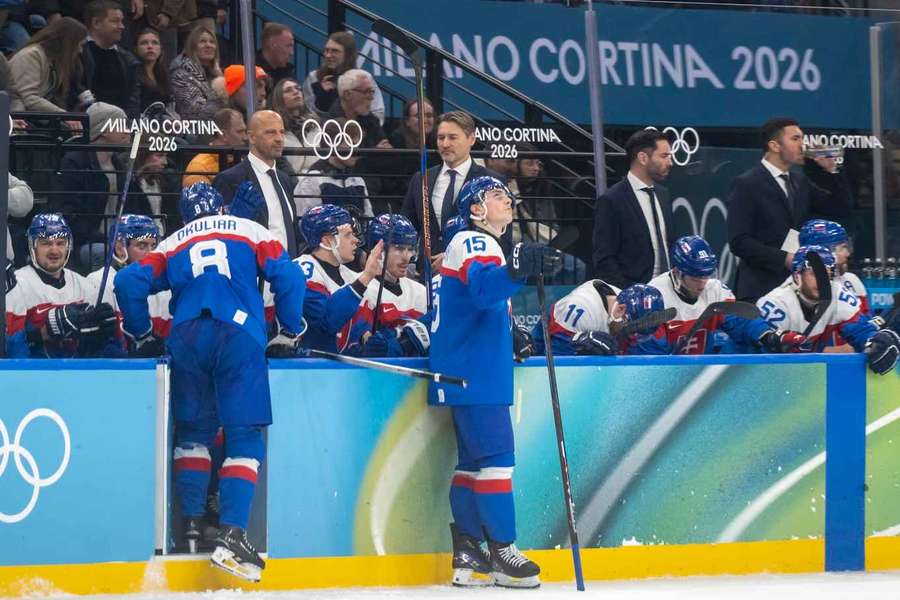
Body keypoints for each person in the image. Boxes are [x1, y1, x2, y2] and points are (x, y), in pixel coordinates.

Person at [114, 183, 306, 582]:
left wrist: (142, 333)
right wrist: (288, 331)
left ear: (186, 216)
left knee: (193, 434)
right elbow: (289, 277)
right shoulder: (249, 229)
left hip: (185, 335)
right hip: (237, 333)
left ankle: (191, 526)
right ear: (221, 206)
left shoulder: (172, 242)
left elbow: (127, 284)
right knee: (244, 437)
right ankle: (233, 536)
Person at [430, 175, 562, 589]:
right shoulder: (476, 241)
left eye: (508, 193)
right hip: (475, 374)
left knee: (473, 464)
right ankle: (504, 550)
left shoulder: (478, 246)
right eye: (496, 195)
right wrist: (520, 269)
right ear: (475, 210)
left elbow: (479, 306)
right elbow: (486, 292)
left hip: (467, 370)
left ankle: (469, 554)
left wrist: (512, 335)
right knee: (498, 461)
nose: (507, 199)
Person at [727, 117, 853, 303]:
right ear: (775, 146)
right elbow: (739, 242)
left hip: (796, 289)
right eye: (795, 139)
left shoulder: (799, 181)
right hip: (760, 287)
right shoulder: (747, 183)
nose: (802, 144)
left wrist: (831, 171)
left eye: (802, 138)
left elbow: (840, 207)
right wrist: (784, 258)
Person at [631, 235, 801, 356]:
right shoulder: (654, 298)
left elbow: (740, 321)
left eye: (706, 275)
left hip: (702, 373)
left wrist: (768, 336)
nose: (702, 283)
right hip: (663, 375)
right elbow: (650, 356)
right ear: (677, 272)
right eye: (695, 278)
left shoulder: (715, 289)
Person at [756, 245, 898, 375]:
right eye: (814, 274)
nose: (822, 281)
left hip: (813, 377)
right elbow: (763, 355)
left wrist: (872, 342)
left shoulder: (838, 293)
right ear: (797, 276)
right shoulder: (776, 303)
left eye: (827, 274)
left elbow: (859, 329)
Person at [5, 213, 117, 358]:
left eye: (60, 243)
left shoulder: (85, 286)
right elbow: (10, 347)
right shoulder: (17, 285)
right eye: (46, 243)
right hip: (34, 376)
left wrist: (101, 335)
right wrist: (45, 331)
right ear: (32, 245)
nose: (54, 251)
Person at [402, 111, 502, 269]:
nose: (445, 144)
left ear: (472, 139)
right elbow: (407, 226)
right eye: (441, 138)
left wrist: (454, 257)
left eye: (452, 137)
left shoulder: (492, 181)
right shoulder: (421, 179)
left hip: (470, 276)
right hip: (427, 277)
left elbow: (501, 236)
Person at [592, 129, 674, 290]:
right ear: (643, 158)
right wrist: (626, 294)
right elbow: (605, 258)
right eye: (664, 156)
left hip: (669, 293)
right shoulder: (612, 200)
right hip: (633, 295)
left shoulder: (664, 195)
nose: (670, 162)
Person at [294, 203, 382, 352]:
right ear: (328, 241)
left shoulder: (347, 274)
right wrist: (366, 276)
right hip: (307, 368)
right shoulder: (302, 270)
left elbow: (357, 325)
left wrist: (365, 338)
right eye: (348, 235)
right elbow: (325, 324)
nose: (356, 240)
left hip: (338, 367)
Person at [339, 213, 430, 357]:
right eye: (399, 248)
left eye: (410, 249)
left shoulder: (420, 291)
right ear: (379, 248)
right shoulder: (356, 288)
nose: (407, 257)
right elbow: (355, 345)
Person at [213, 110, 298, 258]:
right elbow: (221, 237)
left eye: (282, 132)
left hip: (287, 274)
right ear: (251, 137)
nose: (279, 139)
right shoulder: (229, 180)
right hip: (252, 274)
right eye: (271, 133)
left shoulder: (285, 179)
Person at [86, 214, 170, 344]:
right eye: (142, 246)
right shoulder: (97, 282)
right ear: (120, 249)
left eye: (153, 246)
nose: (151, 253)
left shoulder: (163, 285)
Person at [9, 16, 89, 132]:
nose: (80, 50)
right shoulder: (32, 55)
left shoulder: (55, 61)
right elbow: (27, 97)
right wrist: (64, 115)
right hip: (19, 120)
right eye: (79, 44)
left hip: (37, 118)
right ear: (67, 42)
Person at [294, 117, 370, 218]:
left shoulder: (358, 181)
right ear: (333, 142)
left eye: (357, 145)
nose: (356, 151)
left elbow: (368, 218)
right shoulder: (314, 180)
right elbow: (307, 224)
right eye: (351, 144)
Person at [302, 31, 385, 124]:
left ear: (348, 55)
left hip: (361, 133)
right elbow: (307, 114)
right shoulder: (314, 78)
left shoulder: (364, 78)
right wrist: (321, 98)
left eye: (335, 51)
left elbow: (378, 113)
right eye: (326, 50)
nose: (328, 55)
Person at [531, 279, 620, 356]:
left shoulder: (624, 301)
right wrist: (579, 343)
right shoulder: (580, 310)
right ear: (621, 309)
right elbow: (558, 360)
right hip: (548, 346)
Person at [797, 219, 869, 314]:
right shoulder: (804, 289)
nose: (848, 254)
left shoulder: (852, 280)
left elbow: (867, 323)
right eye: (843, 247)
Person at [82, 0, 140, 117]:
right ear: (96, 23)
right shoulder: (78, 54)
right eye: (115, 21)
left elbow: (133, 100)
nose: (122, 27)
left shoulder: (128, 59)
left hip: (122, 125)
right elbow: (76, 94)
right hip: (88, 123)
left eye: (122, 21)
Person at [170, 23, 224, 121]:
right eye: (202, 41)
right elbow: (195, 112)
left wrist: (219, 76)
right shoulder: (181, 74)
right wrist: (222, 90)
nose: (208, 45)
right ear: (192, 46)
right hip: (193, 131)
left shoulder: (216, 73)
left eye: (212, 42)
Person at [183, 108, 247, 188]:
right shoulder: (200, 167)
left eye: (245, 131)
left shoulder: (243, 162)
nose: (245, 137)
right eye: (240, 132)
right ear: (223, 135)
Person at [269, 77, 317, 180]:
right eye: (288, 90)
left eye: (298, 88)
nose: (296, 92)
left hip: (317, 184)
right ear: (279, 98)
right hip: (289, 184)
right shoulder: (274, 127)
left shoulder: (315, 126)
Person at [133, 26, 173, 114]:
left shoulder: (164, 75)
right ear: (136, 49)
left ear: (161, 49)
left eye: (155, 43)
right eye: (144, 43)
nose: (150, 46)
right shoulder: (132, 73)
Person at [255, 22, 294, 88]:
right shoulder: (250, 72)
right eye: (288, 46)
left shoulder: (287, 74)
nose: (291, 53)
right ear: (272, 44)